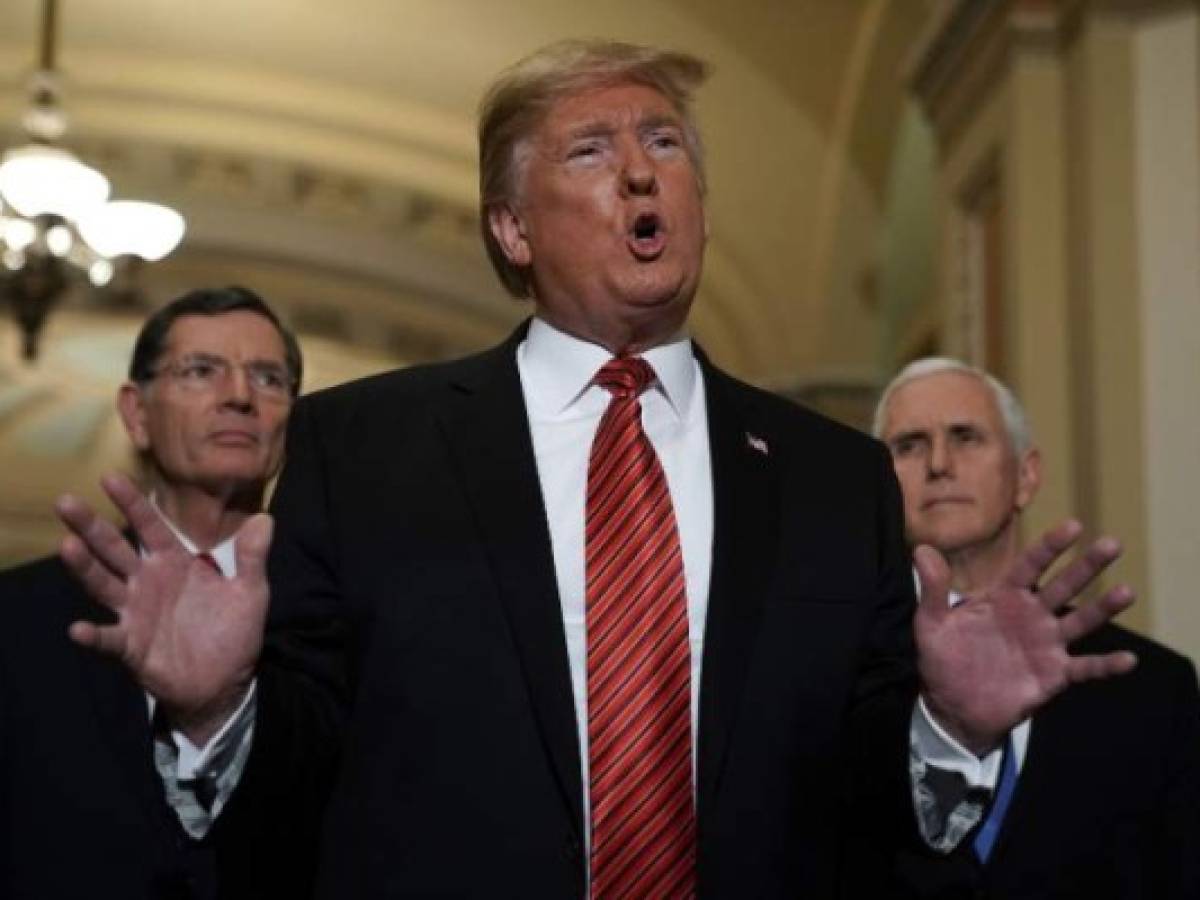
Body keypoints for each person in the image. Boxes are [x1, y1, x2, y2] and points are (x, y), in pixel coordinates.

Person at [56, 43, 1138, 898]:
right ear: (512, 228)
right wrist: (214, 710)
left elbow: (866, 806)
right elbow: (303, 775)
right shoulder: (367, 445)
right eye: (589, 151)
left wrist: (951, 729)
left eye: (664, 142)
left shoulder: (833, 477)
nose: (638, 169)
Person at [0, 286, 303, 900]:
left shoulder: (345, 621)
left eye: (269, 378)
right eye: (201, 371)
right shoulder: (16, 616)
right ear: (137, 413)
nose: (241, 396)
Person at [874, 356, 1200, 900]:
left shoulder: (1155, 689)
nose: (938, 463)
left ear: (1026, 477)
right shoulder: (835, 673)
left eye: (965, 436)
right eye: (907, 445)